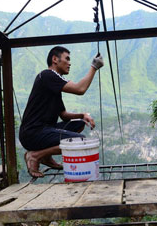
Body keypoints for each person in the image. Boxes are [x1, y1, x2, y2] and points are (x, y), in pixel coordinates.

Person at [19, 46, 104, 178]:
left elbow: (63, 115)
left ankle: (46, 156)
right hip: (33, 133)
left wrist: (83, 115)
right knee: (79, 141)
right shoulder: (48, 75)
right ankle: (35, 156)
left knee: (79, 123)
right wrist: (94, 67)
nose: (69, 63)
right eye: (67, 59)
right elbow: (79, 89)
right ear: (55, 59)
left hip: (44, 130)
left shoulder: (53, 83)